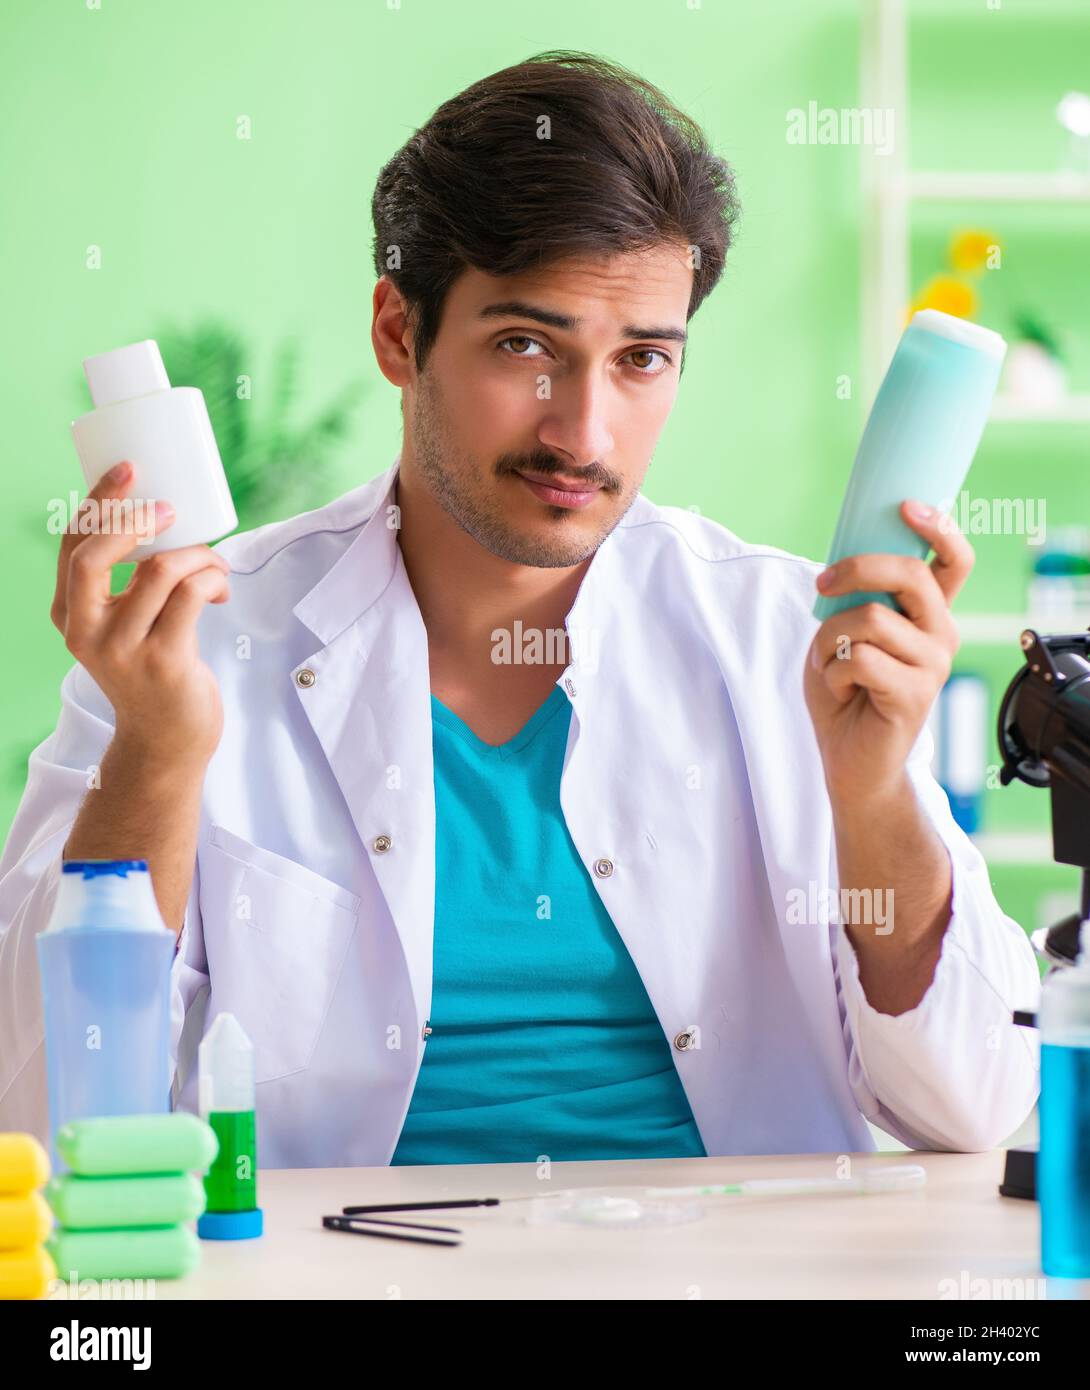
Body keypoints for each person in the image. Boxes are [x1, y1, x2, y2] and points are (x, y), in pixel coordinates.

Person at [0, 51, 1039, 1167]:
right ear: (400, 334)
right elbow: (49, 1119)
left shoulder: (780, 633)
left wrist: (871, 788)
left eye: (640, 359)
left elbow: (971, 1103)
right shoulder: (190, 651)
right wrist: (155, 760)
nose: (582, 434)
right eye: (526, 347)